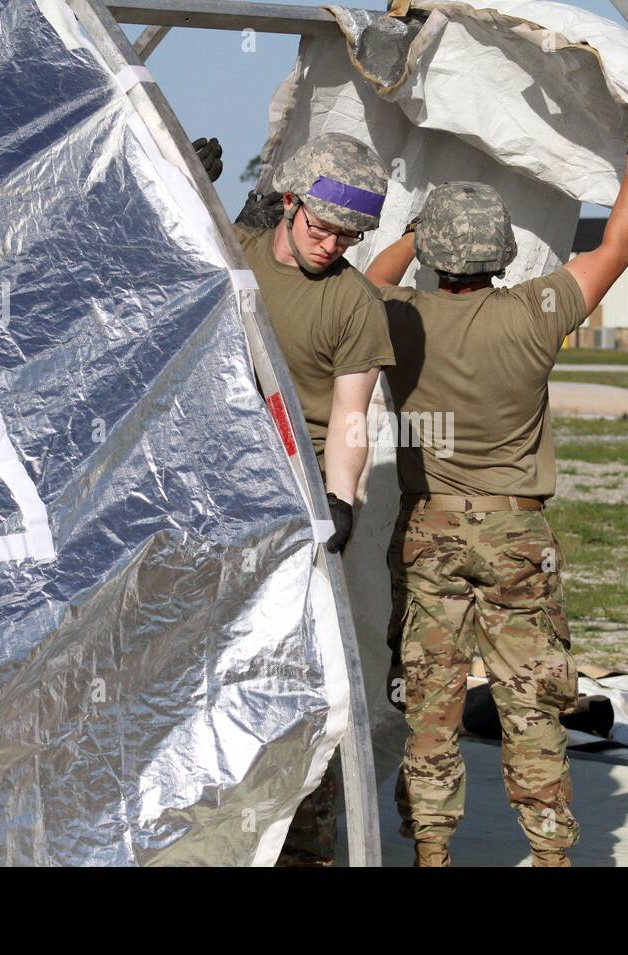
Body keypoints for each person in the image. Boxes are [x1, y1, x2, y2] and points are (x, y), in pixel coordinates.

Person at [363, 103, 628, 866]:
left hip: (429, 531)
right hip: (516, 537)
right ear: (502, 253)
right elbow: (620, 244)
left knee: (430, 704)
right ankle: (550, 854)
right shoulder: (538, 311)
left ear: (437, 254)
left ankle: (431, 852)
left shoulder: (401, 317)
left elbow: (369, 277)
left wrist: (414, 226)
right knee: (531, 703)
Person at [205, 132, 394, 865]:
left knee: (301, 690)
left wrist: (339, 502)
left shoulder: (354, 304)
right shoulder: (241, 253)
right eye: (321, 227)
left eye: (349, 235)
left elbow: (351, 416)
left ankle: (301, 849)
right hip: (215, 496)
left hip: (296, 505)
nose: (331, 245)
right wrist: (187, 180)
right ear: (289, 204)